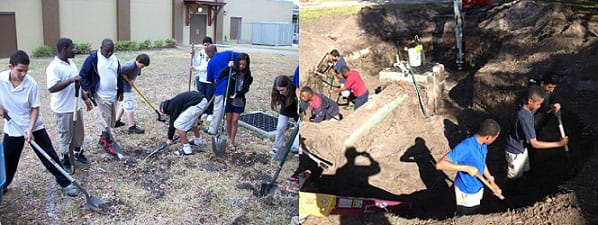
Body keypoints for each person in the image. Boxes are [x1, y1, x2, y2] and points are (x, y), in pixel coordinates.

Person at [0, 50, 79, 196]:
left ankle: (66, 182)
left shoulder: (31, 84)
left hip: (33, 125)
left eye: (26, 71)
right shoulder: (1, 80)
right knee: (7, 159)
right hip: (13, 127)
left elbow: (35, 109)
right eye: (20, 71)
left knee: (48, 155)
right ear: (10, 67)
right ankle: (3, 186)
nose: (23, 74)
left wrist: (30, 130)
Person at [435, 119, 502, 215]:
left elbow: (482, 163)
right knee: (467, 215)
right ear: (488, 137)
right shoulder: (466, 146)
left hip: (477, 187)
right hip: (466, 191)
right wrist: (466, 168)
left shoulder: (483, 145)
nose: (494, 140)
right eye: (494, 138)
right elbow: (439, 165)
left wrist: (491, 181)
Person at [46, 38, 92, 173]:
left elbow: (77, 84)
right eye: (73, 48)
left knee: (78, 134)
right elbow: (52, 88)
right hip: (63, 109)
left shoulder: (71, 63)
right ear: (65, 49)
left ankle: (78, 153)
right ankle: (65, 158)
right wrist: (71, 80)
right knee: (65, 135)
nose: (75, 50)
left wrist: (85, 99)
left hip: (75, 106)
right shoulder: (54, 67)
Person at [505, 86, 568, 183]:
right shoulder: (524, 118)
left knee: (524, 169)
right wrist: (558, 144)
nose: (539, 106)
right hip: (515, 152)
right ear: (530, 101)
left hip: (522, 148)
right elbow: (534, 143)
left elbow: (540, 111)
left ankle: (523, 180)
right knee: (514, 175)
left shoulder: (525, 107)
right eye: (538, 104)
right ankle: (510, 189)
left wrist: (551, 108)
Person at [80, 38, 123, 155]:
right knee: (105, 122)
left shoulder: (115, 59)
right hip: (100, 96)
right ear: (101, 47)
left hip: (113, 95)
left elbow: (119, 76)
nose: (109, 53)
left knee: (111, 121)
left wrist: (121, 91)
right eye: (107, 51)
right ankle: (107, 143)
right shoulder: (93, 59)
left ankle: (102, 138)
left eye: (111, 51)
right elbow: (82, 75)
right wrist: (88, 89)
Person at [220, 53, 253, 149]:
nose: (242, 66)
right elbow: (221, 75)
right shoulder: (232, 70)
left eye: (244, 64)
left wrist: (238, 93)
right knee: (229, 120)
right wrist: (228, 67)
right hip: (229, 99)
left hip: (239, 100)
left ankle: (232, 141)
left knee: (235, 121)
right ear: (237, 63)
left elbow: (246, 88)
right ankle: (229, 137)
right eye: (240, 64)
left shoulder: (248, 75)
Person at [206, 50, 240, 135]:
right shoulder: (229, 53)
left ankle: (213, 130)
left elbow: (210, 80)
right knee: (229, 109)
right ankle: (227, 128)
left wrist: (217, 84)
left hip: (221, 88)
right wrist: (235, 66)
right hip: (233, 88)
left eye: (207, 54)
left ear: (210, 53)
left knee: (218, 109)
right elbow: (243, 58)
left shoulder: (210, 63)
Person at [114, 53, 150, 134]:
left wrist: (132, 80)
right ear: (138, 61)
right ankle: (132, 128)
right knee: (129, 103)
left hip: (127, 86)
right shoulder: (129, 65)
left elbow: (136, 74)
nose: (143, 67)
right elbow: (119, 72)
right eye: (143, 65)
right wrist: (127, 79)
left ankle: (116, 121)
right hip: (123, 86)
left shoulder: (138, 66)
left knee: (123, 104)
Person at [271, 75, 299, 156]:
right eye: (278, 90)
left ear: (288, 86)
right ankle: (277, 147)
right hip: (286, 105)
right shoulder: (279, 92)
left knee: (298, 130)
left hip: (297, 107)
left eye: (282, 90)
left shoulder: (296, 89)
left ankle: (296, 148)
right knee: (280, 127)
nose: (280, 92)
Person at [192, 38, 217, 122]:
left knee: (209, 96)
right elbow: (196, 63)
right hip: (201, 78)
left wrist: (196, 68)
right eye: (204, 44)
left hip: (209, 79)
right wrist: (193, 56)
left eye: (207, 45)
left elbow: (207, 66)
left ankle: (210, 113)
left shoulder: (212, 53)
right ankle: (204, 112)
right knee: (202, 96)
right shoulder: (201, 52)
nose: (205, 46)